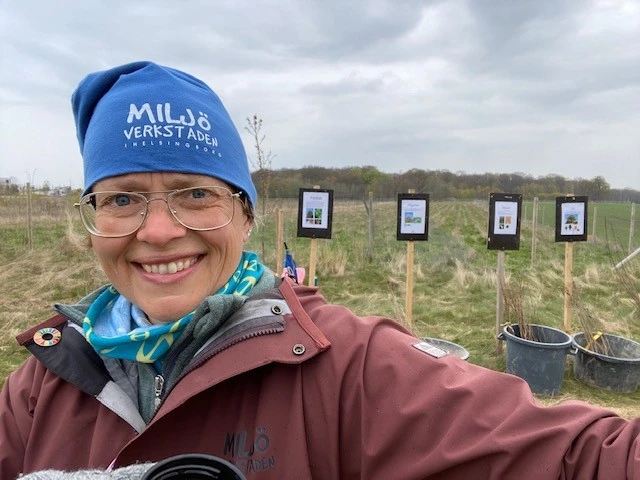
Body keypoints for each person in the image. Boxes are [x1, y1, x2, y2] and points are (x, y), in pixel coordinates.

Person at [1, 61, 639, 480]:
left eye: (196, 193)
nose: (159, 229)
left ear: (246, 216)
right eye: (122, 198)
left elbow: (576, 457)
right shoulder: (42, 386)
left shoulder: (347, 369)